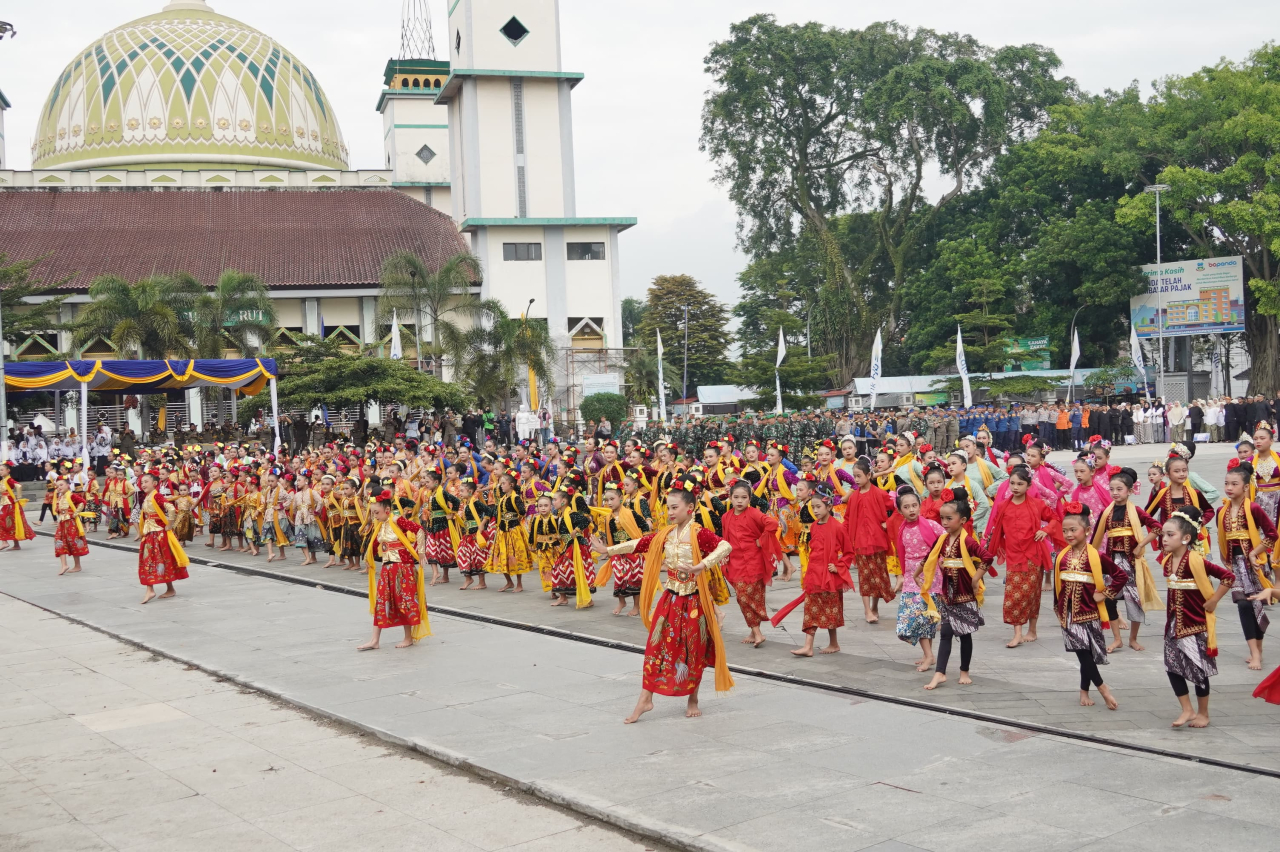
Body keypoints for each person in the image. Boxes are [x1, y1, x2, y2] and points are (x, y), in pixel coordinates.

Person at [592, 473, 733, 724]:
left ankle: (693, 698)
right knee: (655, 647)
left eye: (674, 508)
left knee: (694, 650)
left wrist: (702, 565)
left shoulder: (699, 533)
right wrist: (607, 550)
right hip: (670, 598)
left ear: (690, 508)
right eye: (668, 507)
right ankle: (645, 699)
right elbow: (640, 543)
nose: (669, 512)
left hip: (694, 601)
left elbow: (725, 546)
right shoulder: (666, 534)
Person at [1160, 505, 1232, 727]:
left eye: (1170, 535)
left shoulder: (1196, 560)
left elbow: (1228, 577)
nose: (1164, 539)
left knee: (1199, 670)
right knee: (1172, 666)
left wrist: (1213, 600)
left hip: (1194, 625)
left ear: (1186, 538)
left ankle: (1204, 713)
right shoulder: (1166, 560)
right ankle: (1187, 709)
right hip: (1173, 624)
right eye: (1163, 534)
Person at [920, 487, 994, 690]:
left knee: (965, 635)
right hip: (947, 595)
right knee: (945, 634)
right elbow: (930, 557)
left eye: (948, 518)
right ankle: (940, 673)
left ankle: (964, 671)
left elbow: (987, 557)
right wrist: (917, 574)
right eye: (942, 518)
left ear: (962, 520)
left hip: (965, 595)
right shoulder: (942, 540)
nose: (944, 522)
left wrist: (976, 577)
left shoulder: (968, 541)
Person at [1054, 502, 1125, 710]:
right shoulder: (1061, 556)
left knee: (1087, 653)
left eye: (1073, 530)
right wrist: (1058, 608)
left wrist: (1105, 593)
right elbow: (1059, 584)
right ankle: (1103, 688)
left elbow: (1121, 575)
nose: (1068, 534)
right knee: (1082, 653)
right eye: (1065, 530)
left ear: (1086, 531)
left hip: (1089, 613)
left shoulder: (1097, 556)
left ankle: (1084, 690)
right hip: (1068, 615)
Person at [984, 466, 1064, 649]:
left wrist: (1045, 531)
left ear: (1028, 486)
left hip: (1033, 555)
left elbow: (1054, 519)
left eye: (1020, 484)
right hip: (1014, 556)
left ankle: (1032, 630)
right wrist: (991, 549)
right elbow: (997, 531)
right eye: (1012, 483)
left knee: (1032, 594)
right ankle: (1018, 633)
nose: (1015, 487)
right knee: (1013, 594)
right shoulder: (1003, 506)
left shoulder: (1037, 504)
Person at [1092, 467, 1162, 653]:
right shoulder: (1106, 513)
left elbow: (1157, 527)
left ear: (1130, 491)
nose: (1115, 493)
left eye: (1119, 489)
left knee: (1134, 601)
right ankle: (1117, 639)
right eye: (1112, 489)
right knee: (1109, 599)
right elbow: (1095, 539)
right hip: (1112, 563)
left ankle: (1132, 639)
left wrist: (1141, 545)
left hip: (1131, 563)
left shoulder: (1136, 511)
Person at [1218, 459, 1277, 671]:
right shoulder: (1221, 511)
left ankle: (1257, 650)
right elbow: (1224, 541)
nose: (1229, 488)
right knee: (1244, 605)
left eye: (1234, 484)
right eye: (1226, 483)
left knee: (1255, 604)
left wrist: (1255, 552)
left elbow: (1272, 534)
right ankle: (1254, 652)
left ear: (1245, 487)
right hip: (1235, 566)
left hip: (1254, 566)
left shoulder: (1253, 508)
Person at [358, 490, 431, 651]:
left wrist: (421, 552)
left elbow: (419, 530)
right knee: (381, 603)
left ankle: (408, 637)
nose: (375, 516)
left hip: (402, 568)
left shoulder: (397, 520)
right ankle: (374, 640)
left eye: (376, 512)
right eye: (373, 513)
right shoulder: (381, 526)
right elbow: (376, 545)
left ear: (387, 510)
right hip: (387, 569)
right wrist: (368, 558)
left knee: (404, 601)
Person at [720, 480, 782, 647]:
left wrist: (761, 541)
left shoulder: (754, 513)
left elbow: (773, 524)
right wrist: (723, 555)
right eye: (736, 497)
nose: (740, 501)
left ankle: (757, 633)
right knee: (743, 597)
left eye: (744, 497)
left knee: (751, 597)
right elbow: (726, 539)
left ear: (749, 499)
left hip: (754, 562)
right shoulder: (726, 517)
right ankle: (755, 632)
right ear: (730, 498)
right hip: (736, 562)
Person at [895, 486, 945, 672]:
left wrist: (942, 560)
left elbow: (946, 540)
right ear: (900, 511)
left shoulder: (931, 525)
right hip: (911, 578)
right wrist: (900, 576)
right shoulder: (902, 530)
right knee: (912, 616)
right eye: (906, 507)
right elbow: (901, 553)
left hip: (931, 577)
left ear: (920, 505)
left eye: (914, 505)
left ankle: (929, 655)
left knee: (926, 617)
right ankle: (928, 654)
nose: (911, 510)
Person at [843, 458, 896, 623]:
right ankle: (867, 610)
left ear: (869, 475)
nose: (856, 480)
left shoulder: (880, 494)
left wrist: (887, 523)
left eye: (859, 476)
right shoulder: (853, 498)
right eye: (854, 476)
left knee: (879, 575)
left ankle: (874, 607)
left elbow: (897, 508)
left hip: (877, 541)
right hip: (859, 543)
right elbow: (847, 519)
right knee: (865, 577)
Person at [136, 472, 190, 604]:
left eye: (146, 482)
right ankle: (170, 589)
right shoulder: (149, 496)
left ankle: (150, 590)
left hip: (157, 534)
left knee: (150, 560)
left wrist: (169, 525)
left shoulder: (157, 496)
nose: (143, 484)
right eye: (142, 482)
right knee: (162, 560)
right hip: (151, 533)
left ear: (154, 483)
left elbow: (171, 508)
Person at [51, 476, 89, 575]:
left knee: (73, 542)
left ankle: (77, 565)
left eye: (61, 485)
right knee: (58, 541)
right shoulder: (60, 497)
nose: (59, 487)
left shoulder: (71, 495)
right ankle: (64, 565)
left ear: (68, 485)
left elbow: (82, 502)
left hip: (71, 523)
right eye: (57, 486)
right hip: (62, 523)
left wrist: (76, 512)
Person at [0, 462, 34, 551]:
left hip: (9, 503)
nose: (0, 472)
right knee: (12, 522)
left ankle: (4, 542)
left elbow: (18, 486)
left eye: (2, 470)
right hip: (6, 502)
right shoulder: (3, 480)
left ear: (8, 470)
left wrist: (18, 497)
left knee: (3, 521)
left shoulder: (8, 479)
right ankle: (16, 544)